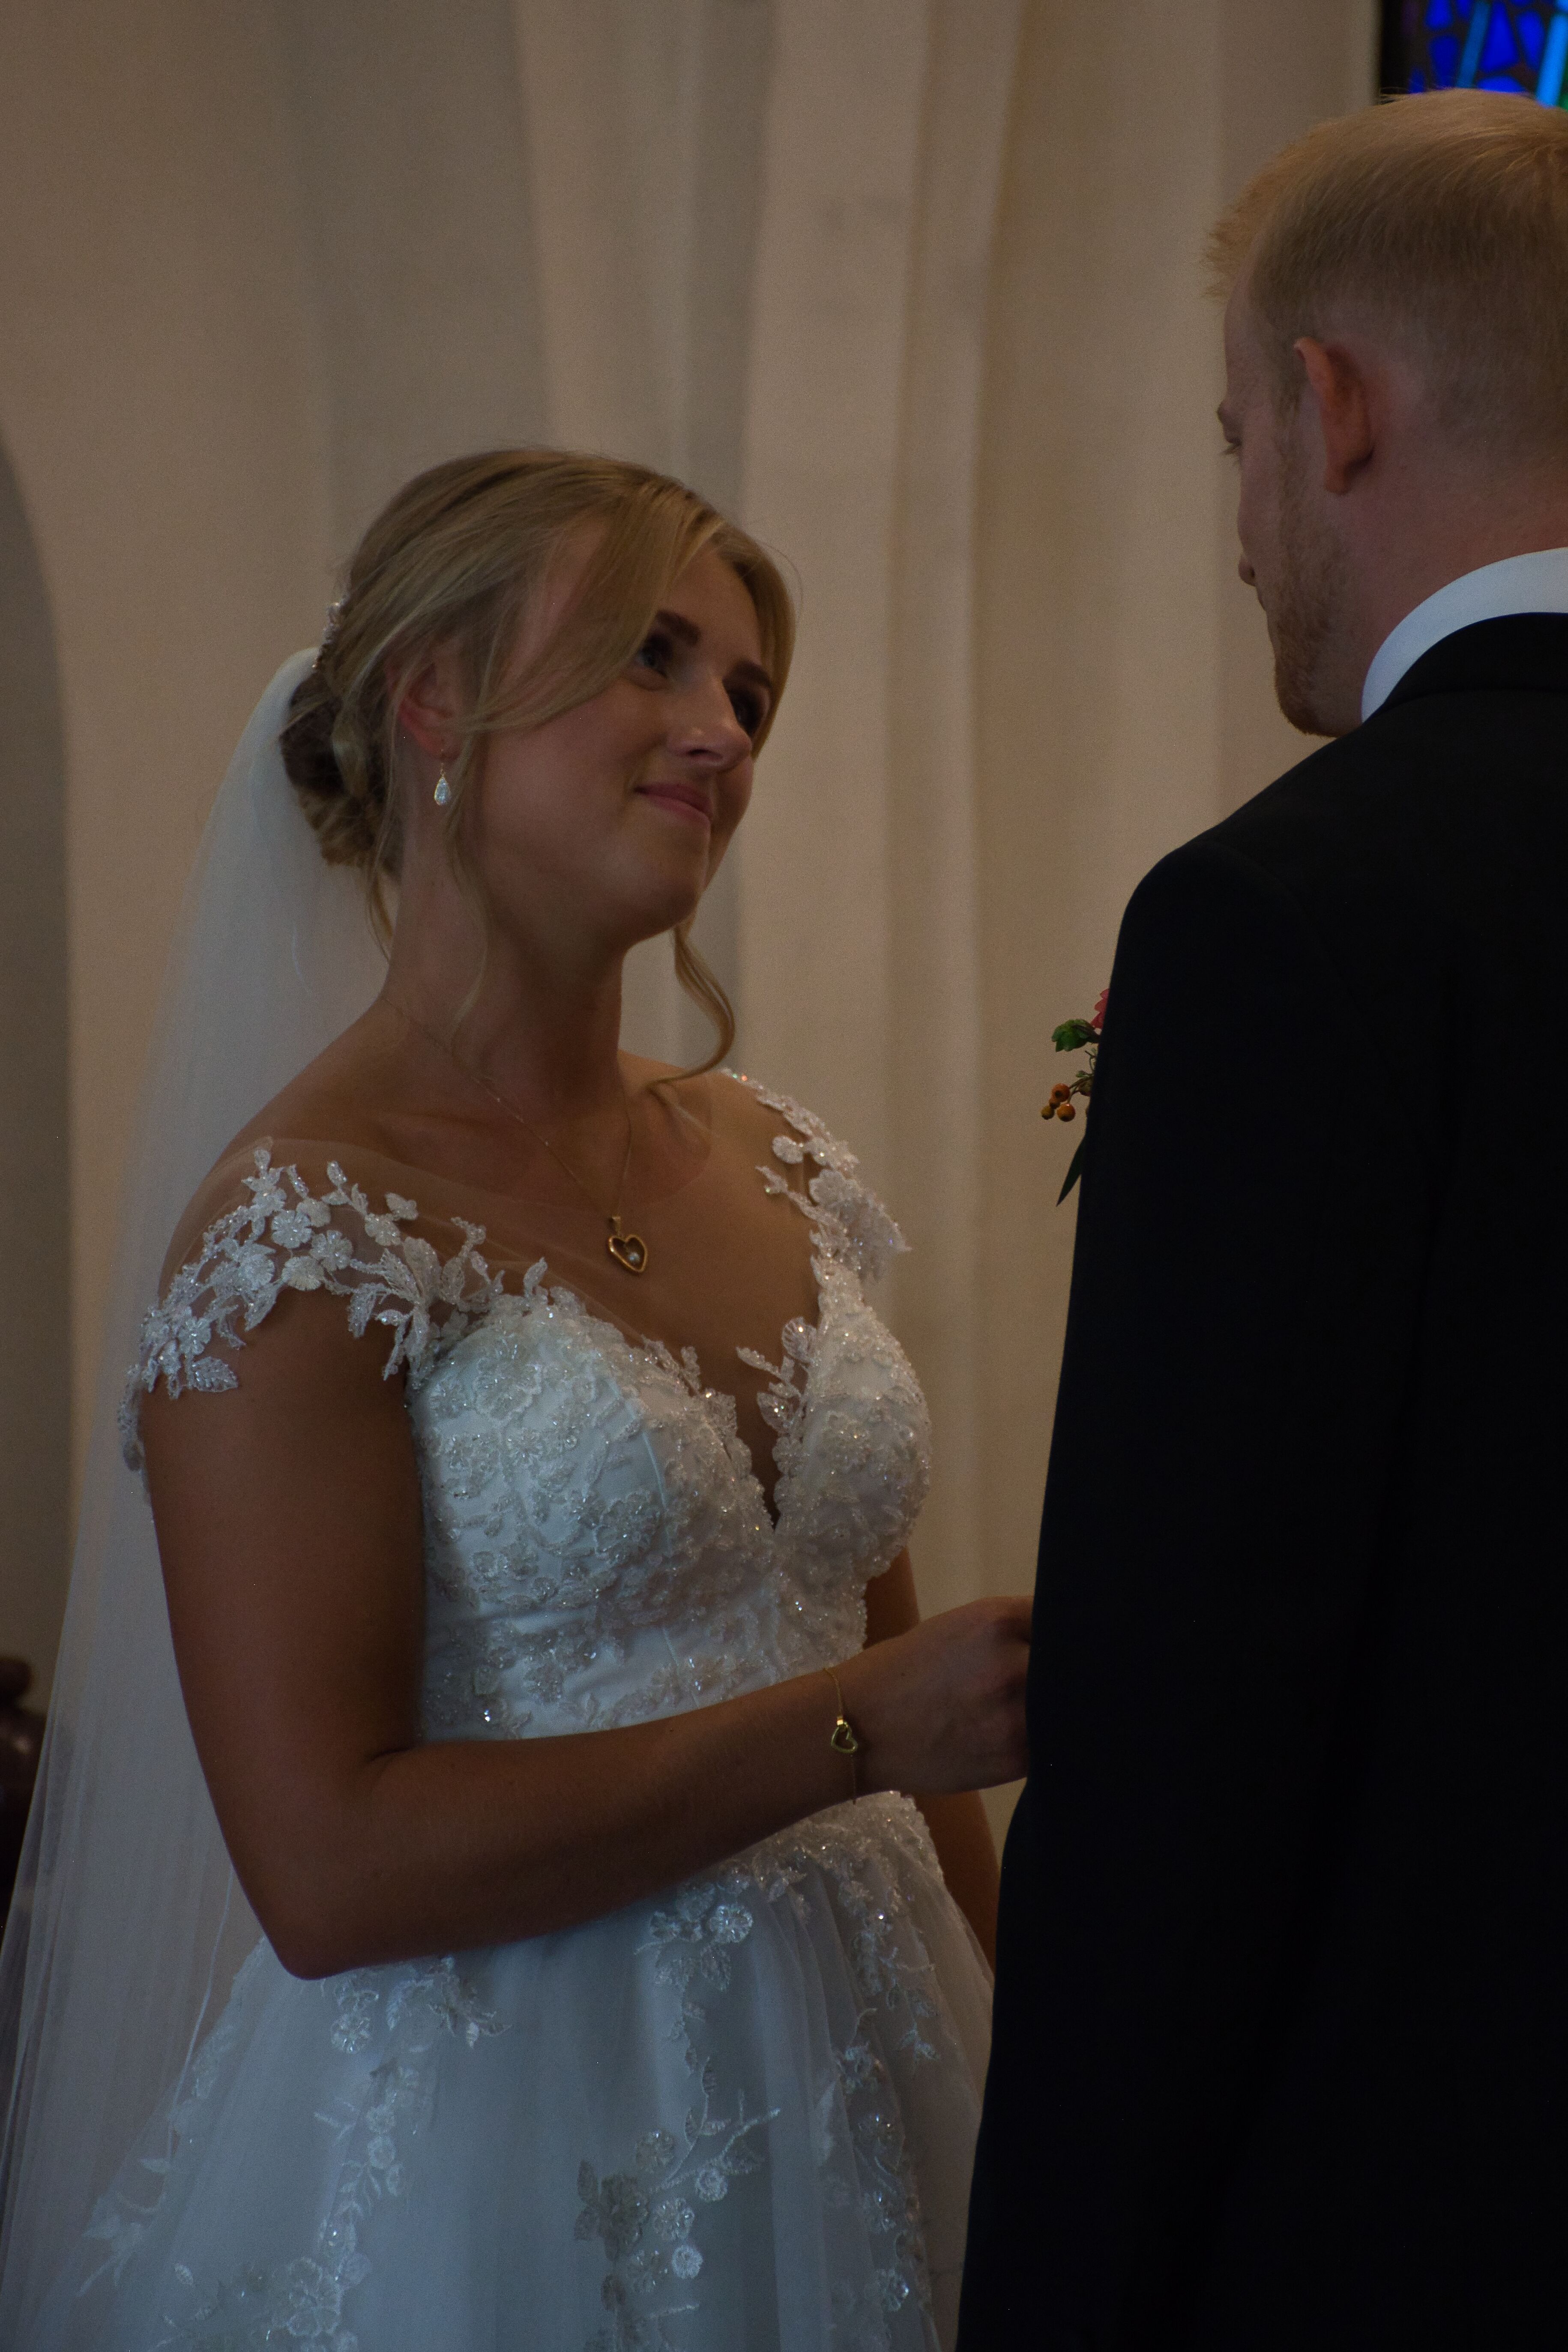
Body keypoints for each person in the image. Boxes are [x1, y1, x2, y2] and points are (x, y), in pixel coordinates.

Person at [0, 450, 1029, 2351]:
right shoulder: (302, 1229)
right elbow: (328, 1867)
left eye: (749, 690)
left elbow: (877, 1669)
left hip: (887, 2076)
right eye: (653, 655)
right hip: (516, 2156)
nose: (724, 732)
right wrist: (854, 1729)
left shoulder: (781, 1162)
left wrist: (1042, 2065)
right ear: (435, 699)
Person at [960, 89, 1568, 2349]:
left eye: (1232, 439)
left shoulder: (1292, 912)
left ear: (1331, 402)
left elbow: (1186, 1739)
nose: (1237, 527)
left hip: (1429, 2211)